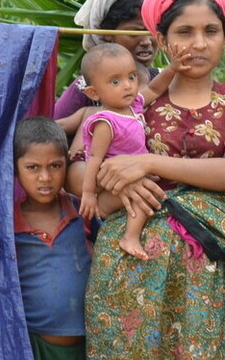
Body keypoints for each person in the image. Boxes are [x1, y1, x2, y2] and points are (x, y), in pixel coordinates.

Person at [74, 0, 225, 360]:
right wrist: (124, 184)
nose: (197, 44)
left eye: (210, 31)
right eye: (183, 32)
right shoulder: (132, 104)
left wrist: (148, 164)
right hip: (125, 273)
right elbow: (78, 178)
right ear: (160, 39)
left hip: (201, 279)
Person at [11, 117, 90, 360]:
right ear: (15, 170)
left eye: (55, 166)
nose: (45, 177)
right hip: (35, 353)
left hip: (87, 351)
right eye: (32, 167)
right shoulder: (8, 226)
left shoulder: (83, 212)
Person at [73, 43, 174, 257]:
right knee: (144, 197)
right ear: (93, 92)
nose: (127, 86)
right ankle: (130, 237)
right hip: (115, 187)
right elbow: (94, 158)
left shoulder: (133, 105)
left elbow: (155, 89)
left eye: (131, 77)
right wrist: (89, 193)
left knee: (146, 195)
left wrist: (173, 69)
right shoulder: (105, 122)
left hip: (134, 176)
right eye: (115, 81)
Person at [55, 0, 162, 134]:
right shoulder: (86, 88)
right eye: (134, 33)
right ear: (108, 34)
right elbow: (50, 134)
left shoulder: (167, 80)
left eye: (151, 31)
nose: (146, 41)